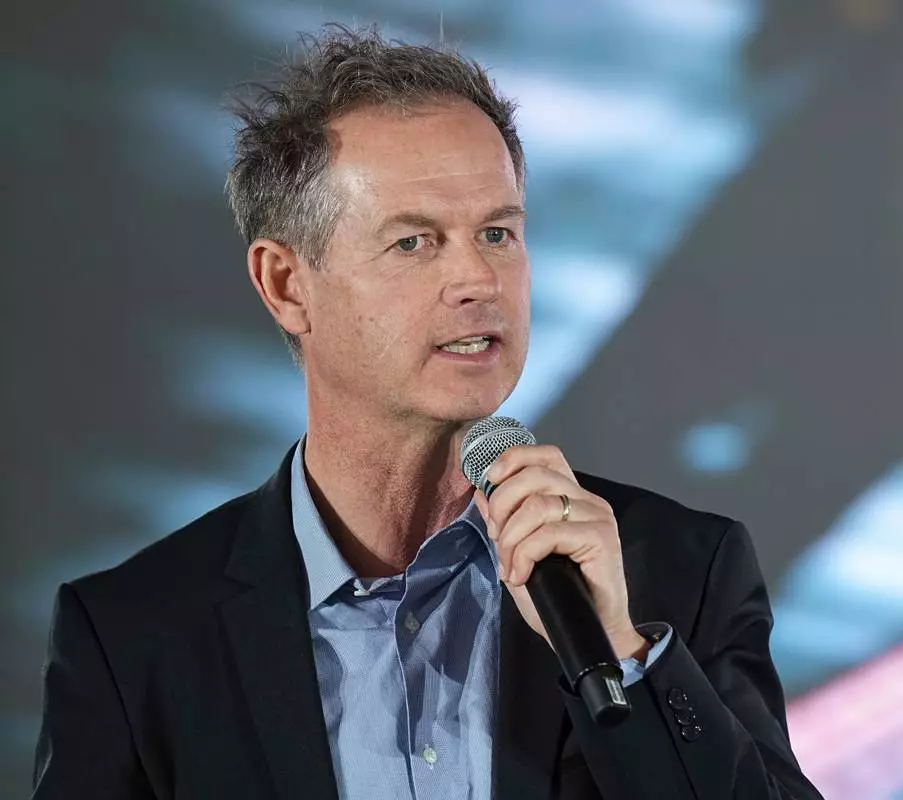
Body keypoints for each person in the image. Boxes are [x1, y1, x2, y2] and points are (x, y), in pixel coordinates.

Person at [32, 25, 822, 800]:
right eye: (414, 243)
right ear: (285, 285)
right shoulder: (137, 635)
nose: (478, 278)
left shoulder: (680, 574)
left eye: (497, 232)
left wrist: (622, 651)